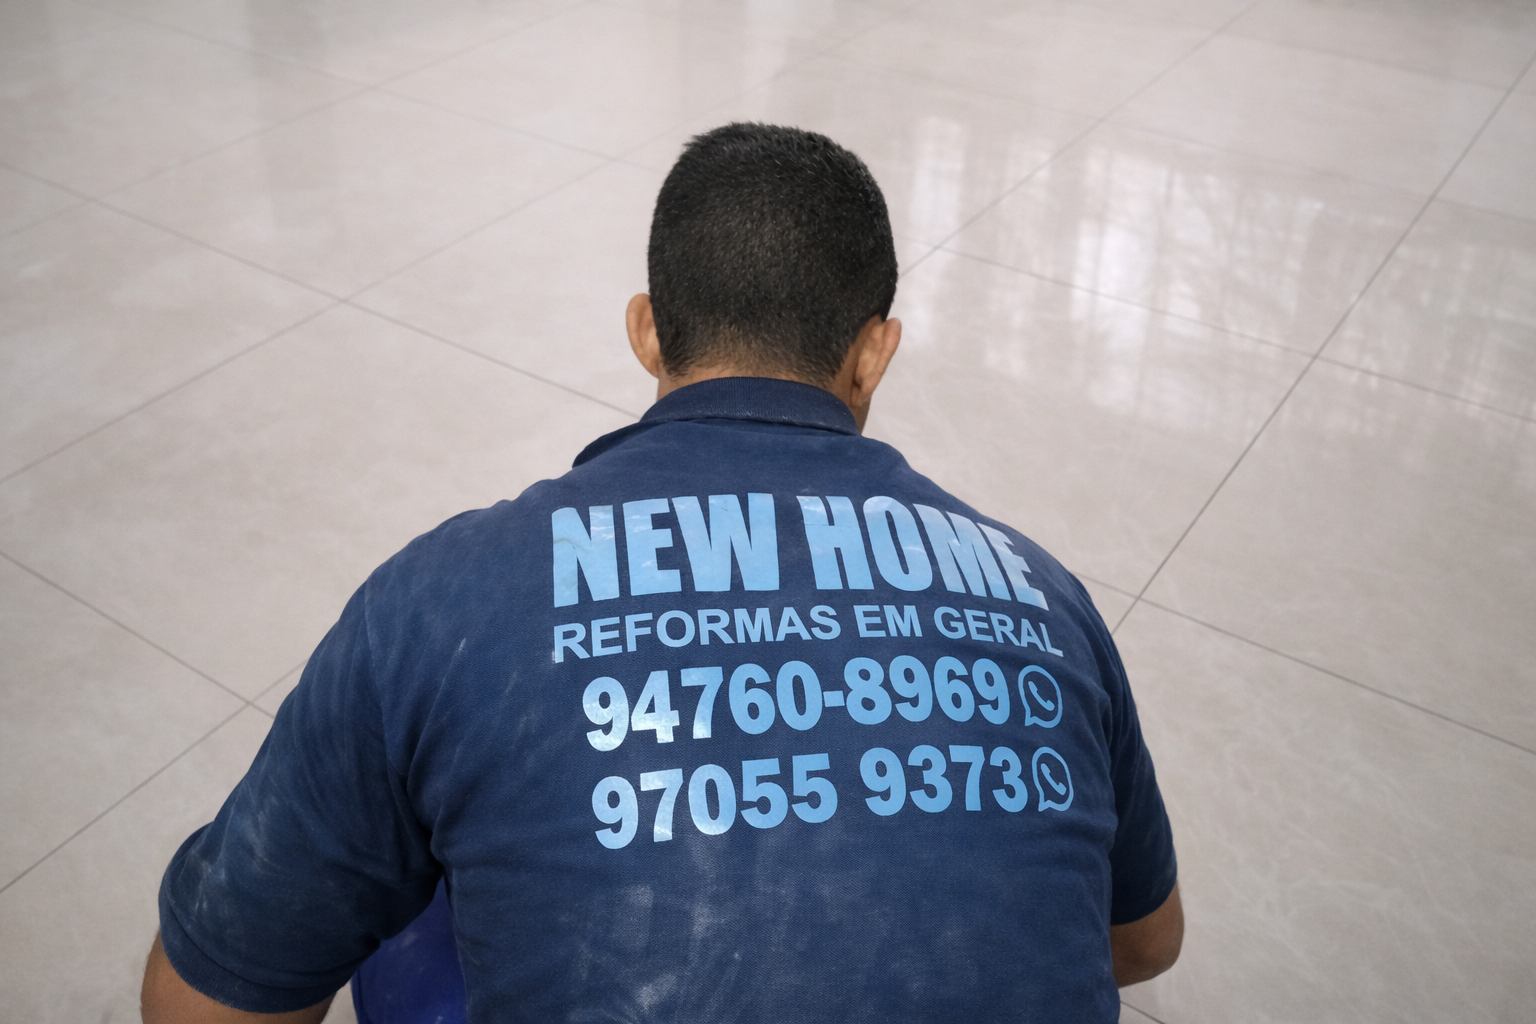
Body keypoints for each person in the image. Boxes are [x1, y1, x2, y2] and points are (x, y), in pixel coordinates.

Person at [141, 122, 1182, 1024]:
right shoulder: (1044, 599)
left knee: (425, 904)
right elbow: (1143, 941)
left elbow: (202, 1002)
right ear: (874, 353)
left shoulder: (440, 603)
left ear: (646, 330)